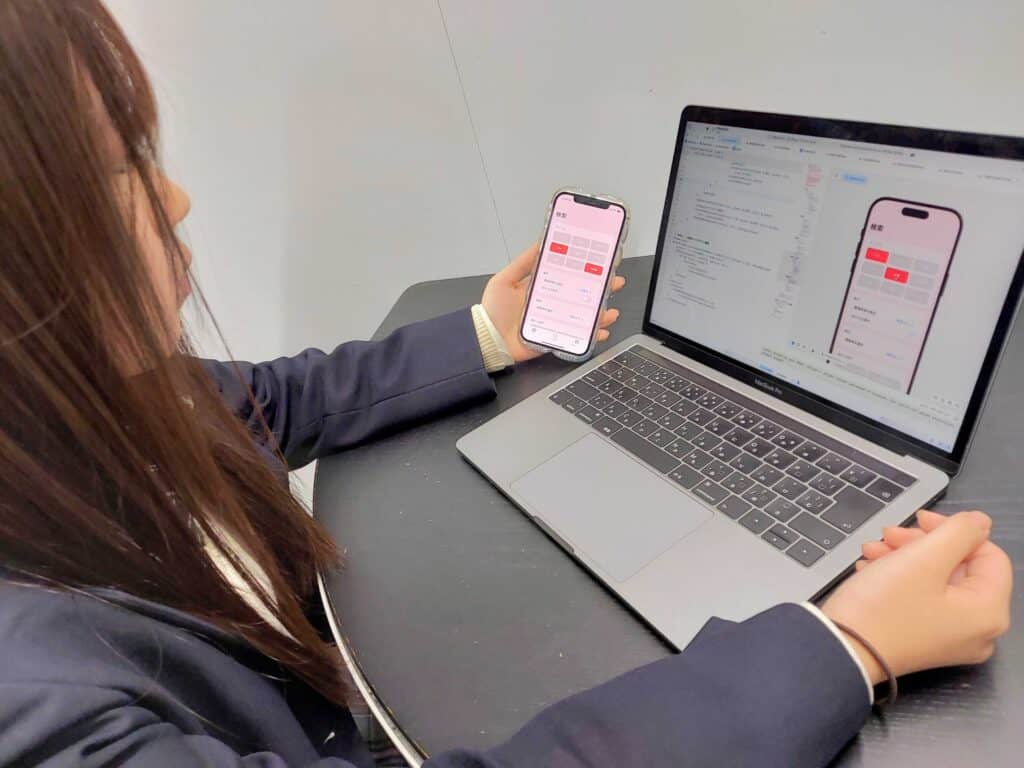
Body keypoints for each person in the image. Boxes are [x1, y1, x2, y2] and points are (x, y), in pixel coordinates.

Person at [0, 2, 1012, 766]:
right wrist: (845, 647)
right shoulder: (41, 711)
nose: (175, 196)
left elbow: (273, 400)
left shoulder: (84, 400)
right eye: (113, 168)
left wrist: (490, 333)